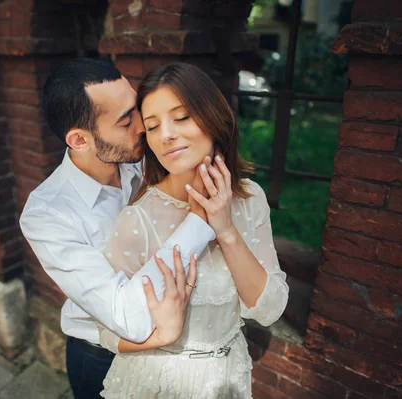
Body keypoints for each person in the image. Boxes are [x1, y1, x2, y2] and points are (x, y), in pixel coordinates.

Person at [19, 58, 217, 398]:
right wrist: (198, 223)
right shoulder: (47, 215)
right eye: (126, 120)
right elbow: (130, 320)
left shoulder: (147, 155)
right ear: (80, 140)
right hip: (102, 359)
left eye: (136, 109)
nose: (143, 126)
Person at [97, 62, 290, 398]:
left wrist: (226, 230)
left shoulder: (251, 199)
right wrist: (161, 336)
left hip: (227, 379)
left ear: (213, 117)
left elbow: (270, 309)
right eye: (153, 126)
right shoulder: (138, 219)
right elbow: (105, 329)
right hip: (155, 383)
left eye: (182, 117)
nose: (166, 135)